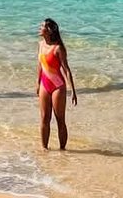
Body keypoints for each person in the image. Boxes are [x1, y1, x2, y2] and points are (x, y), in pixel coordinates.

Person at [36, 17, 77, 149]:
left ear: (49, 30)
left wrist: (73, 91)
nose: (39, 27)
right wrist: (37, 83)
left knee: (60, 120)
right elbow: (40, 65)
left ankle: (62, 150)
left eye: (42, 26)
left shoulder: (58, 48)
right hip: (44, 84)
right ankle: (44, 149)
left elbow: (66, 70)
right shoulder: (41, 44)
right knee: (44, 118)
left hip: (58, 86)